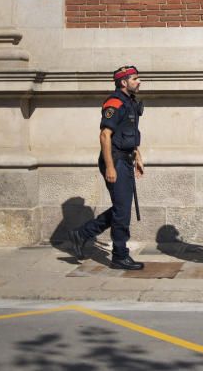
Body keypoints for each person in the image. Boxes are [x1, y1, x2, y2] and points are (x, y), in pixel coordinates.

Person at [67, 65, 145, 270]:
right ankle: (120, 256)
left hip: (125, 159)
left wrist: (138, 156)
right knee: (122, 211)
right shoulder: (114, 103)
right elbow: (105, 135)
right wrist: (110, 167)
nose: (139, 81)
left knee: (121, 208)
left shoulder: (129, 102)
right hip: (115, 160)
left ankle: (82, 234)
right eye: (135, 78)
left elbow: (130, 133)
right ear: (123, 82)